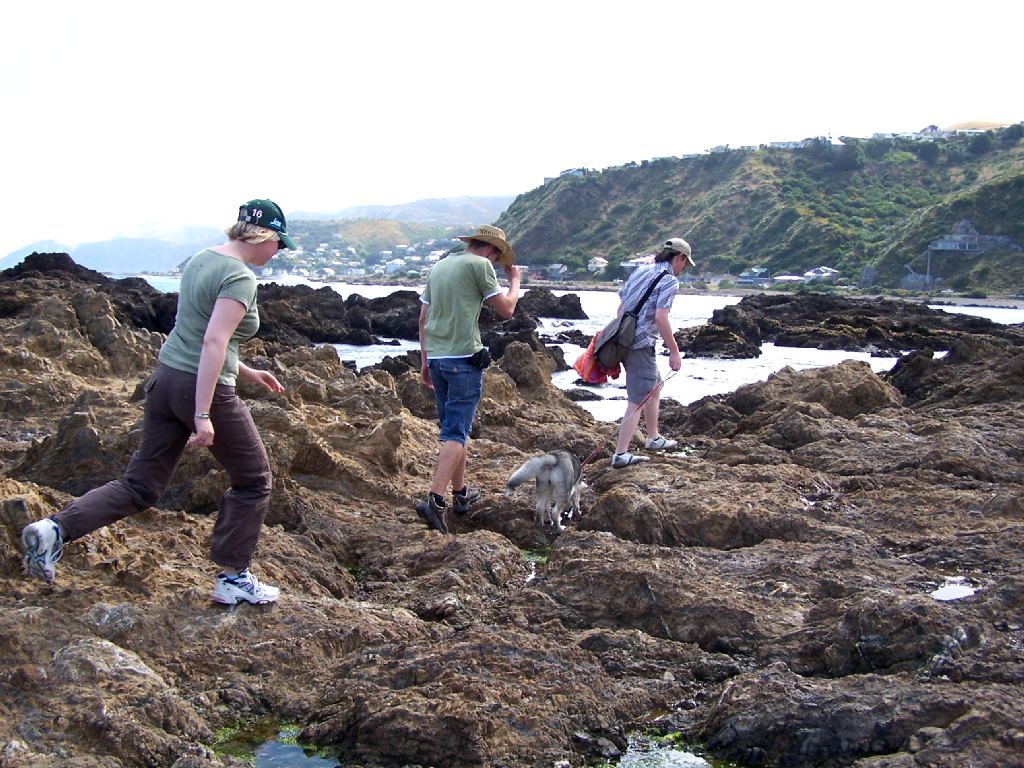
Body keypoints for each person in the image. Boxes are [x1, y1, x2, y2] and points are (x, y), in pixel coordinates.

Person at [21, 199, 294, 605]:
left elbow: (196, 329)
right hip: (201, 390)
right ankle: (234, 578)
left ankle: (53, 530)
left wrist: (249, 372)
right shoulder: (240, 278)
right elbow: (213, 341)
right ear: (265, 236)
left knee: (140, 485)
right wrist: (202, 413)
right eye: (279, 244)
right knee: (254, 481)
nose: (279, 253)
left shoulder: (201, 259)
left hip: (164, 380)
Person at [415, 224, 521, 533]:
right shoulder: (481, 265)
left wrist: (424, 361)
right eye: (498, 256)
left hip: (436, 358)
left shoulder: (440, 266)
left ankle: (460, 495)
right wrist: (514, 282)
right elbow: (507, 310)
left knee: (454, 431)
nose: (497, 261)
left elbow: (422, 318)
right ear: (491, 249)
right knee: (456, 433)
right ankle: (435, 500)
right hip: (463, 359)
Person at [611, 237, 695, 468]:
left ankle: (653, 438)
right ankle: (620, 454)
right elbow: (661, 317)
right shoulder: (669, 280)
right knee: (638, 398)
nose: (683, 270)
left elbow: (621, 306)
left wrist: (621, 338)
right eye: (685, 264)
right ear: (680, 258)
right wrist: (675, 352)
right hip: (641, 343)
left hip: (624, 339)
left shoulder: (641, 270)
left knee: (655, 386)